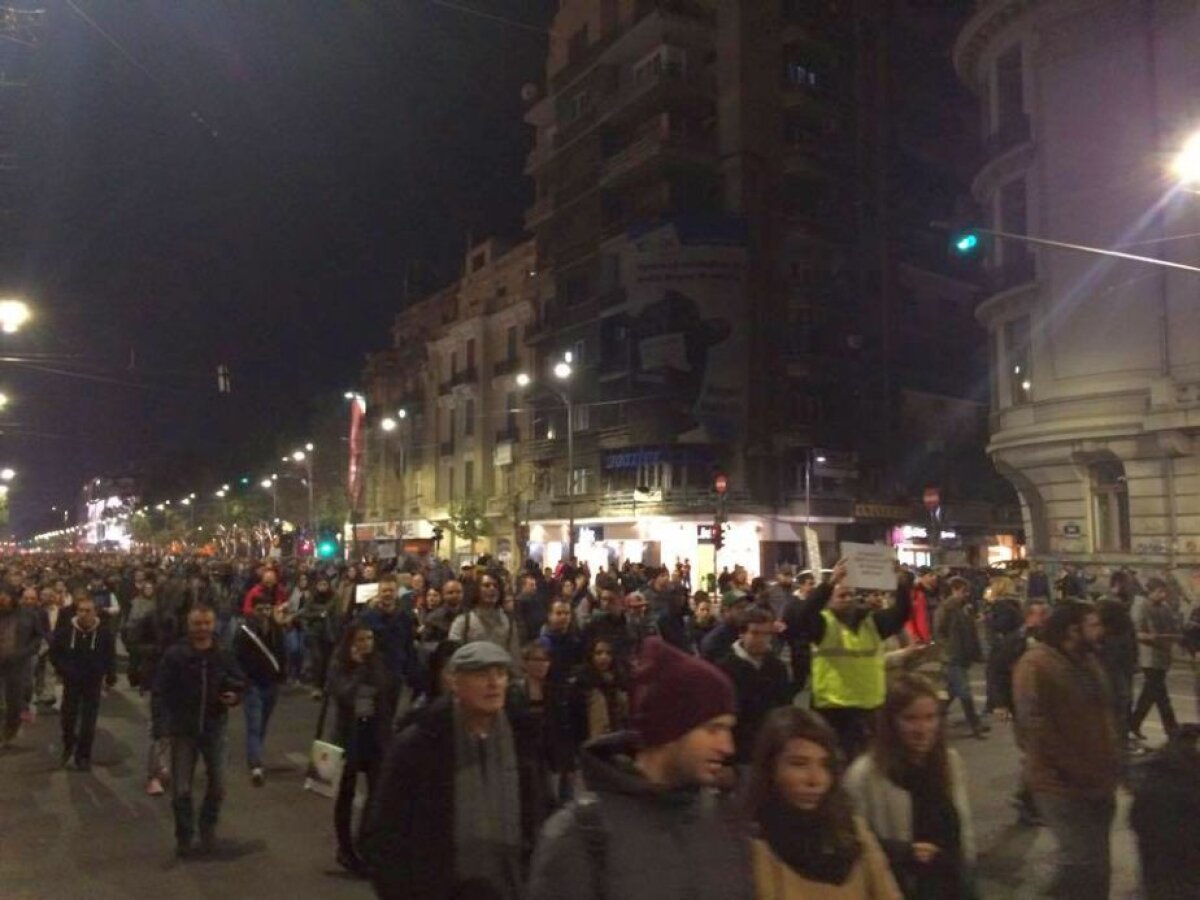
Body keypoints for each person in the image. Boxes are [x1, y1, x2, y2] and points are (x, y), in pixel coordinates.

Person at [529, 637, 752, 900]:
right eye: (713, 729)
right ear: (670, 729)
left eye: (728, 729)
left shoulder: (724, 821)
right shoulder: (579, 836)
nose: (728, 747)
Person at [360, 641, 546, 900]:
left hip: (508, 887)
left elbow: (537, 818)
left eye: (501, 674)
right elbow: (384, 834)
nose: (494, 683)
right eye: (482, 674)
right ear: (454, 682)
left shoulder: (520, 742)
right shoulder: (419, 744)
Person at [1013, 601, 1119, 899]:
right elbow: (1035, 729)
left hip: (1099, 779)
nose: (1101, 632)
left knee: (1098, 863)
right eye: (1094, 625)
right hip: (1058, 783)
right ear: (1073, 630)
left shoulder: (1088, 660)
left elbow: (1104, 715)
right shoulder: (1036, 665)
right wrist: (1074, 769)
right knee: (1079, 857)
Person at [745, 707, 902, 899]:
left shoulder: (852, 832)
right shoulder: (753, 844)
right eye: (799, 764)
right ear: (770, 768)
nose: (815, 779)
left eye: (824, 765)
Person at [846, 674, 977, 899]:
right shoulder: (865, 776)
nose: (922, 728)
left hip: (953, 883)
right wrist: (903, 853)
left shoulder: (949, 761)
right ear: (890, 722)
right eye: (910, 718)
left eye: (930, 717)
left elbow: (962, 830)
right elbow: (851, 844)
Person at [153, 604, 246, 858]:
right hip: (183, 729)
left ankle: (207, 829)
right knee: (181, 788)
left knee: (218, 784)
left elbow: (239, 680)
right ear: (189, 625)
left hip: (215, 727)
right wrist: (160, 726)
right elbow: (160, 690)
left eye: (207, 623)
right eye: (197, 623)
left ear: (213, 624)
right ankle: (184, 836)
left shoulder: (223, 653)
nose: (203, 628)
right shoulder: (175, 655)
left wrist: (234, 695)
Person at [795, 560, 912, 760]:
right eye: (841, 595)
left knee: (871, 765)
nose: (848, 599)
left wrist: (900, 584)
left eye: (851, 594)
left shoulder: (873, 622)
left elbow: (901, 613)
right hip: (832, 709)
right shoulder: (822, 625)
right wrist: (829, 583)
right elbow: (803, 615)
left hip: (869, 708)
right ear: (829, 600)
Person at [326, 624, 398, 875]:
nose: (366, 643)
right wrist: (356, 669)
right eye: (361, 639)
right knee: (346, 794)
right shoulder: (339, 664)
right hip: (349, 736)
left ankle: (365, 844)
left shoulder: (378, 662)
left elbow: (387, 692)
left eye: (370, 638)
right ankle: (345, 849)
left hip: (374, 735)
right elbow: (344, 695)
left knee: (377, 793)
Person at [988, 597, 1050, 826]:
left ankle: (1030, 800)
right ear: (1029, 616)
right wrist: (1000, 703)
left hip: (1042, 707)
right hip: (1023, 707)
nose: (1045, 618)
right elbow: (997, 671)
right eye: (1041, 614)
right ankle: (1027, 802)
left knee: (1037, 755)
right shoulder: (1015, 641)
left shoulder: (1047, 639)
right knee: (1035, 755)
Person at [1129, 723, 1200, 900]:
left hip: (1159, 873)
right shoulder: (1185, 782)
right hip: (1181, 875)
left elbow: (1137, 819)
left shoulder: (1159, 771)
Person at [720, 606, 794, 766]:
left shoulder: (777, 667)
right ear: (742, 633)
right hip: (737, 755)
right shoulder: (725, 668)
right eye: (755, 633)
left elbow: (785, 708)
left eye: (766, 634)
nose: (761, 639)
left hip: (770, 752)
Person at [49, 596, 117, 770]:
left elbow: (110, 656)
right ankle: (68, 745)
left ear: (95, 612)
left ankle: (83, 755)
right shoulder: (66, 632)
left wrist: (109, 675)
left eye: (88, 611)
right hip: (71, 680)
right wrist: (63, 670)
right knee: (68, 717)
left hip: (92, 682)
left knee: (88, 721)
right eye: (80, 610)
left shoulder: (103, 633)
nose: (84, 614)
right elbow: (55, 653)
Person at [233, 596, 288, 786]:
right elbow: (236, 657)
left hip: (271, 683)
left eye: (267, 608)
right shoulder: (244, 632)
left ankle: (256, 753)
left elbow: (282, 652)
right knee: (254, 725)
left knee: (262, 723)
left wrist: (282, 674)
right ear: (252, 610)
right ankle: (255, 764)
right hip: (253, 684)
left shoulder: (275, 629)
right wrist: (243, 679)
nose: (264, 613)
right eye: (260, 609)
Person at [933, 577, 987, 739]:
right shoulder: (947, 608)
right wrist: (949, 649)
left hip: (960, 655)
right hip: (952, 656)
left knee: (951, 692)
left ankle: (934, 719)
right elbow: (938, 631)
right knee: (963, 690)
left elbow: (969, 632)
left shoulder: (962, 608)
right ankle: (974, 725)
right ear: (954, 590)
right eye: (963, 591)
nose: (966, 595)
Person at [1130, 577, 1180, 741]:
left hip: (1162, 656)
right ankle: (1171, 729)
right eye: (1159, 591)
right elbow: (1135, 631)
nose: (1163, 595)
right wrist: (1152, 636)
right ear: (1150, 591)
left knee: (1150, 694)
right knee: (1161, 695)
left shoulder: (1164, 608)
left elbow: (1172, 626)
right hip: (1149, 657)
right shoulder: (1141, 606)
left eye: (1164, 591)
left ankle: (1133, 723)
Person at [357, 575, 418, 690]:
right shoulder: (366, 617)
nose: (388, 594)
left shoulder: (405, 618)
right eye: (384, 590)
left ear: (396, 593)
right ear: (379, 593)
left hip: (396, 673)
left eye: (391, 590)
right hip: (371, 675)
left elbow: (409, 646)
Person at [0, 586, 43, 748]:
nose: (2, 601)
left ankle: (9, 732)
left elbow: (38, 636)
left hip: (17, 664)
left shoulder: (28, 615)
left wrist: (27, 651)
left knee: (14, 702)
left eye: (4, 597)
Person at [448, 570, 522, 662]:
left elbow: (514, 658)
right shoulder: (463, 622)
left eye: (495, 586)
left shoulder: (508, 622)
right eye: (486, 586)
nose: (492, 589)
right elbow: (453, 657)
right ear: (477, 590)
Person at [574, 638, 630, 742]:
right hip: (590, 740)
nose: (604, 657)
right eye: (599, 653)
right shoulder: (582, 684)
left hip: (618, 737)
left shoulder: (618, 681)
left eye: (608, 653)